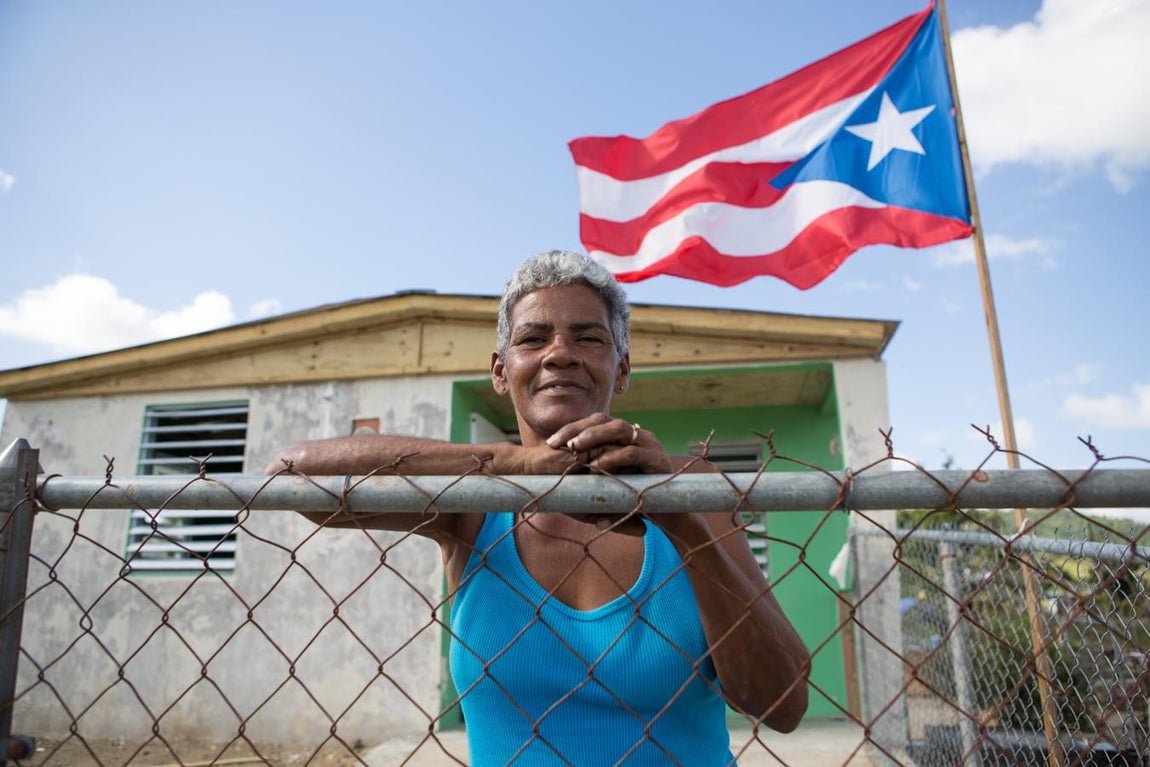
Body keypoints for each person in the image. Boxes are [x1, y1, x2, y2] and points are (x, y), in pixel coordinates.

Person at [268, 250, 811, 765]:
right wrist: (511, 464)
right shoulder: (473, 507)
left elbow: (781, 705)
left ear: (620, 370)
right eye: (533, 338)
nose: (559, 353)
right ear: (502, 372)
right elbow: (296, 472)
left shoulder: (691, 487)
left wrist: (684, 527)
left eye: (588, 337)